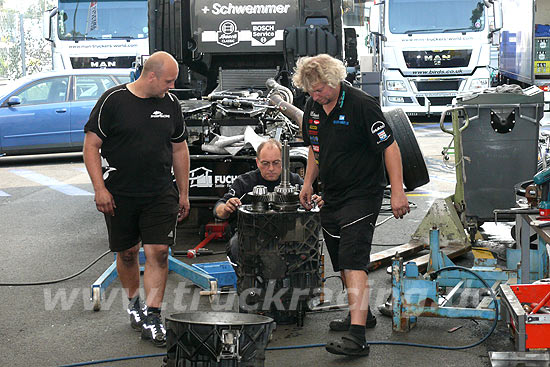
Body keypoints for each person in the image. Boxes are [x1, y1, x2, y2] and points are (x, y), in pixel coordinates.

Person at [293, 54, 410, 357]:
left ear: (334, 81)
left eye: (319, 90)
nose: (315, 96)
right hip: (331, 194)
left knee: (353, 259)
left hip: (363, 193)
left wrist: (398, 191)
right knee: (340, 261)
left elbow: (391, 147)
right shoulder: (313, 107)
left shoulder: (362, 104)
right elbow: (314, 148)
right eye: (310, 92)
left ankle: (358, 337)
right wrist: (308, 183)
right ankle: (363, 314)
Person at [83, 51, 190, 347]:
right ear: (151, 75)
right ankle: (135, 305)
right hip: (119, 195)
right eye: (168, 80)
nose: (171, 87)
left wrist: (183, 192)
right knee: (128, 253)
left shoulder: (170, 104)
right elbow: (91, 146)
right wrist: (99, 189)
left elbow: (179, 149)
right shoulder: (113, 100)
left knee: (158, 252)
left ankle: (153, 316)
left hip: (159, 194)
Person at [214, 139, 321, 264]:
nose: (271, 168)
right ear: (257, 162)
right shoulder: (244, 182)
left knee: (308, 247)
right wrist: (226, 208)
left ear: (284, 162)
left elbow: (312, 208)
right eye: (265, 163)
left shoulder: (295, 181)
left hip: (289, 237)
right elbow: (218, 208)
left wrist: (315, 203)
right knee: (236, 245)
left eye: (276, 163)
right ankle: (248, 280)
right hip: (252, 236)